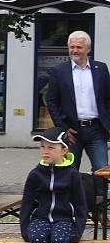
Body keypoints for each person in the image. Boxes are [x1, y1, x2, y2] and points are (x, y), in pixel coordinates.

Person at [44, 31, 110, 183]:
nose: (74, 50)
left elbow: (107, 99)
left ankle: (99, 205)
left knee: (101, 170)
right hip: (71, 131)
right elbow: (51, 101)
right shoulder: (59, 71)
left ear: (88, 49)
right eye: (71, 47)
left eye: (78, 47)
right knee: (69, 171)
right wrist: (62, 126)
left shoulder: (100, 69)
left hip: (96, 130)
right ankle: (71, 205)